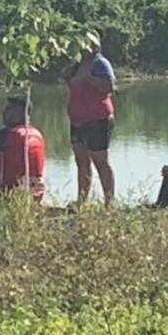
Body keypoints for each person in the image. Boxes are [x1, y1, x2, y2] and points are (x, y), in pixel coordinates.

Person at [66, 33, 116, 206]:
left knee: (100, 161)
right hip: (78, 120)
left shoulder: (100, 63)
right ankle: (81, 201)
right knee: (81, 161)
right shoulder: (77, 65)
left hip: (98, 119)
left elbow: (109, 87)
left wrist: (88, 79)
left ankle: (109, 202)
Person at [0, 96, 47, 202]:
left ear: (21, 113)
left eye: (9, 109)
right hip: (35, 194)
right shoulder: (37, 135)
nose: (4, 112)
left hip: (6, 192)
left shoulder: (6, 135)